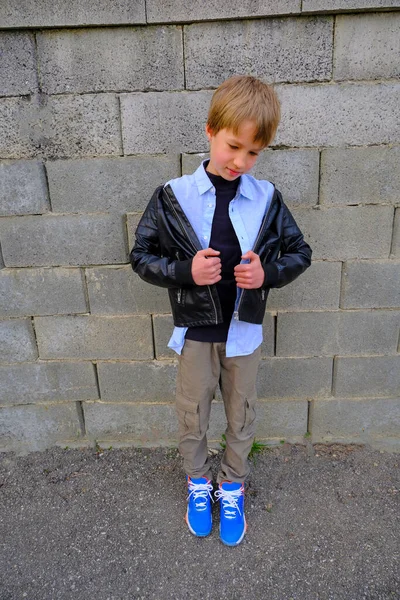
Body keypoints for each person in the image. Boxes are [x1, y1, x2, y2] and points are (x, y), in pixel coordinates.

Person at [130, 75, 312, 546]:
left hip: (244, 334)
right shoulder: (174, 196)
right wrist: (184, 270)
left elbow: (299, 251)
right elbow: (141, 257)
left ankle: (231, 486)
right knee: (192, 413)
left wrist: (267, 274)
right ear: (210, 130)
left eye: (254, 152)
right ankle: (197, 484)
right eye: (234, 146)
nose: (241, 161)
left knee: (241, 413)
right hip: (196, 333)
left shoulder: (266, 198)